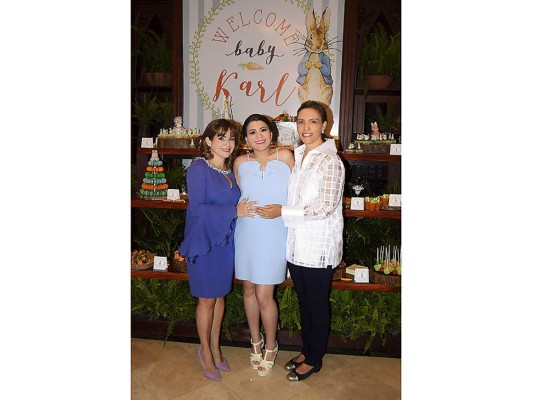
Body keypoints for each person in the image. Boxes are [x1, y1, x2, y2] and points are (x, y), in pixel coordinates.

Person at [255, 100, 345, 382]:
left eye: (313, 122)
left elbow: (325, 206)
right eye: (302, 122)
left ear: (324, 125)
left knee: (317, 303)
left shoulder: (331, 160)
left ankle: (315, 359)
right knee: (305, 302)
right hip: (297, 244)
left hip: (318, 247)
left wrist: (281, 212)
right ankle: (308, 350)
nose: (306, 128)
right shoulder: (301, 155)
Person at [178, 118, 257, 381]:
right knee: (207, 300)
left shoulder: (229, 171)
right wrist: (234, 210)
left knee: (220, 296)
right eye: (221, 137)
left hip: (224, 242)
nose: (227, 143)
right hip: (203, 243)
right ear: (208, 140)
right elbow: (197, 208)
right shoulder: (199, 168)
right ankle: (205, 351)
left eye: (232, 138)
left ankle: (215, 347)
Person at [233, 114, 295, 377]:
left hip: (274, 233)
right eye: (251, 132)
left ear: (272, 133)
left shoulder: (287, 157)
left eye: (263, 130)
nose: (258, 136)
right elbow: (237, 194)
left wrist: (283, 210)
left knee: (264, 294)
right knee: (248, 289)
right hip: (247, 232)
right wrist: (237, 210)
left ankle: (271, 345)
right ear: (245, 138)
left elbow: (300, 192)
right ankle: (255, 341)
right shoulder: (239, 162)